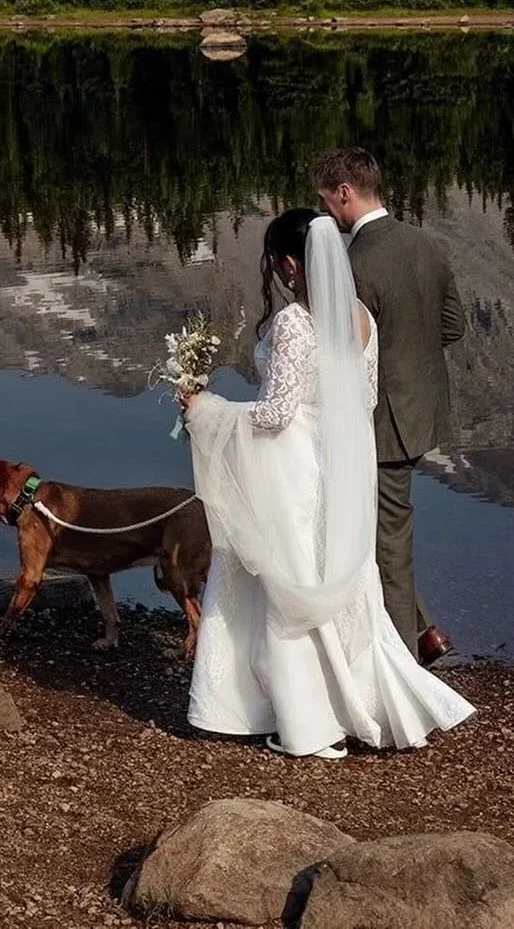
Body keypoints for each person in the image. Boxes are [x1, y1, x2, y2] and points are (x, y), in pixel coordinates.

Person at [181, 209, 473, 759]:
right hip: (340, 469)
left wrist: (206, 409)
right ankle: (350, 703)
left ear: (292, 264)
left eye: (276, 263)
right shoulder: (361, 317)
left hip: (292, 469)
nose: (277, 273)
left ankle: (308, 723)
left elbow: (276, 414)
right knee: (336, 580)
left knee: (288, 581)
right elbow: (362, 401)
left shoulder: (296, 322)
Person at [312, 147, 464, 666]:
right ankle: (424, 633)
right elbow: (453, 326)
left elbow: (344, 354)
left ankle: (404, 661)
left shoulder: (353, 264)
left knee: (387, 541)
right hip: (423, 411)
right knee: (381, 525)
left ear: (344, 192)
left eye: (326, 200)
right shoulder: (427, 242)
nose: (326, 211)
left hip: (382, 424)